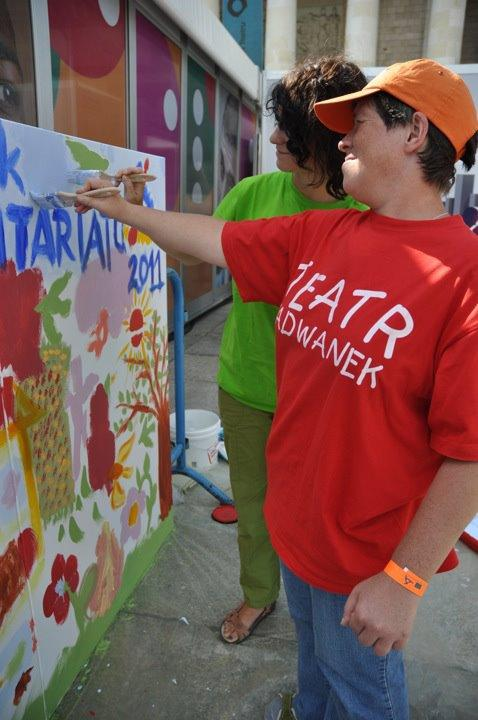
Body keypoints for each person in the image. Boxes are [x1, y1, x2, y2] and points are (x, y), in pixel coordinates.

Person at [76, 58, 478, 720]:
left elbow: (467, 456)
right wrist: (120, 209)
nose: (342, 139)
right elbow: (217, 241)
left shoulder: (461, 276)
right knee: (316, 671)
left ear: (414, 135)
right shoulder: (325, 230)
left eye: (361, 123)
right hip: (296, 526)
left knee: (362, 693)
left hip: (363, 554)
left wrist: (405, 579)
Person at [213, 57, 367, 645]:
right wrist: (133, 205)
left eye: (291, 130)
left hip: (327, 403)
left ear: (330, 138)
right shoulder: (253, 194)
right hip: (247, 387)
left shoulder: (368, 215)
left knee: (321, 522)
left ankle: (323, 613)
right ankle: (259, 595)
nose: (274, 137)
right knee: (253, 510)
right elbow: (202, 244)